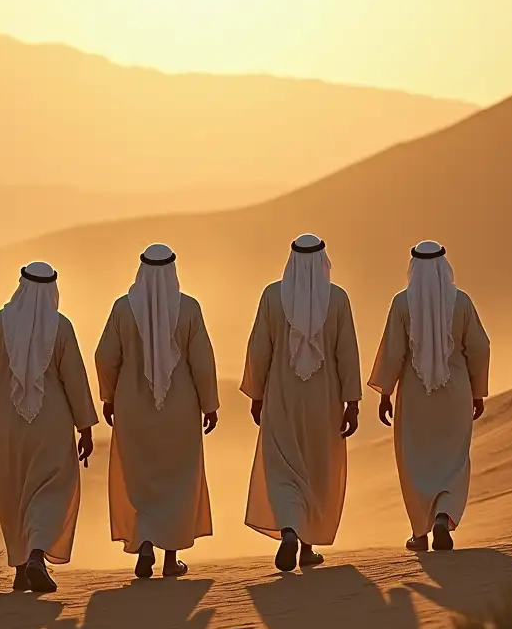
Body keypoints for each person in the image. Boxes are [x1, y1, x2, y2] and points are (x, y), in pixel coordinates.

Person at [0, 261, 98, 592]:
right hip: (52, 425)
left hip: (7, 426)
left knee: (14, 493)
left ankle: (22, 567)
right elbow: (75, 380)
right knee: (52, 489)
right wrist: (85, 427)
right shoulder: (61, 326)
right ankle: (37, 555)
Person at [95, 244, 219, 579]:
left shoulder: (123, 308)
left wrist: (109, 396)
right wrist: (209, 404)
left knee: (141, 481)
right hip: (180, 411)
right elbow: (202, 362)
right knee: (177, 483)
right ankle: (169, 558)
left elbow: (105, 357)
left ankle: (145, 543)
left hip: (133, 411)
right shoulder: (189, 308)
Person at [241, 234, 362, 571]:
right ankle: (306, 545)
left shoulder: (272, 296)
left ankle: (290, 531)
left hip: (281, 398)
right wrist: (352, 403)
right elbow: (347, 354)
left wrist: (257, 395)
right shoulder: (337, 299)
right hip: (325, 402)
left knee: (283, 469)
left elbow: (258, 350)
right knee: (317, 470)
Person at [368, 241, 490, 552]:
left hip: (414, 397)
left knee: (415, 463)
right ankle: (443, 517)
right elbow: (480, 348)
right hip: (456, 395)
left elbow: (393, 353)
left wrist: (385, 393)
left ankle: (420, 532)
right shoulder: (461, 302)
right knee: (453, 461)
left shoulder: (402, 304)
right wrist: (477, 391)